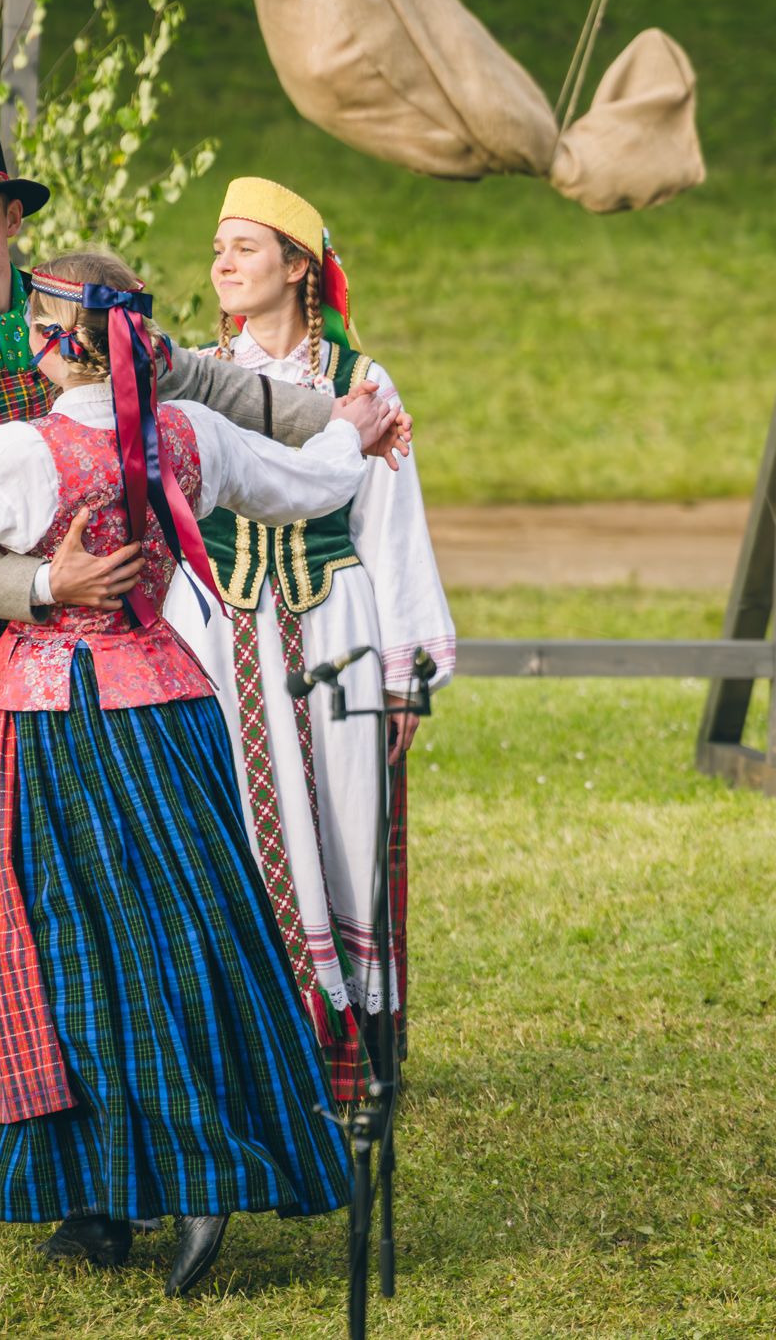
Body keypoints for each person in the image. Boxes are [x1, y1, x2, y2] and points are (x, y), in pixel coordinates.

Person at [0, 113, 410, 1245]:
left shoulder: (89, 311)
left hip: (92, 682)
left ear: (11, 220)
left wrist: (349, 417)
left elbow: (218, 390)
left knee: (92, 926)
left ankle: (99, 1188)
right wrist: (46, 582)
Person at [168, 177, 455, 1096]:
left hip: (335, 628)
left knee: (343, 814)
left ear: (298, 267)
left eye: (245, 247)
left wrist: (406, 673)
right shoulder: (195, 375)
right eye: (218, 248)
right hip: (222, 632)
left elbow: (392, 523)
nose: (223, 263)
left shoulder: (360, 382)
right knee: (239, 823)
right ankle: (254, 1043)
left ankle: (350, 1046)